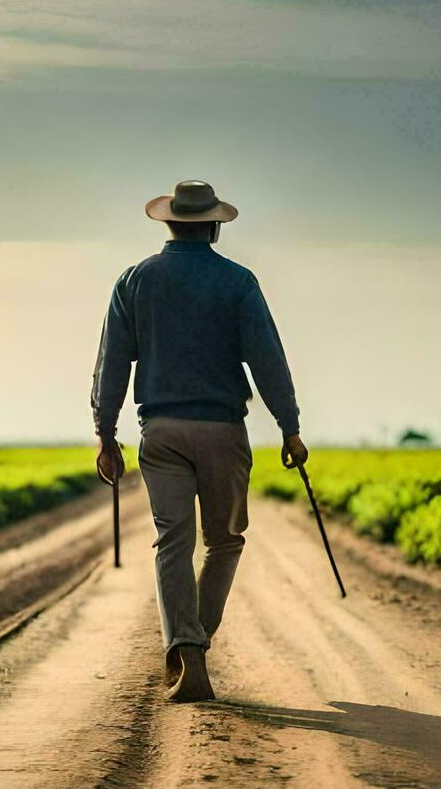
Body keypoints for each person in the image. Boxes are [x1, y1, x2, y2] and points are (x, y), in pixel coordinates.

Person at [91, 179, 308, 703]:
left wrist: (106, 433)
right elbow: (267, 359)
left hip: (160, 431)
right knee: (225, 541)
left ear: (168, 223)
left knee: (172, 541)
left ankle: (186, 649)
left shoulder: (134, 280)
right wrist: (289, 426)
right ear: (213, 226)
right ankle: (197, 643)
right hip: (222, 430)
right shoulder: (238, 282)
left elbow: (112, 361)